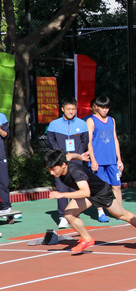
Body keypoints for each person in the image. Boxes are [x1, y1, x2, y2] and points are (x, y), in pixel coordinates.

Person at [44, 149, 136, 253]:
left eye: (53, 169)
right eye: (49, 170)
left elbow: (85, 192)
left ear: (63, 165)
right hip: (88, 194)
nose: (51, 173)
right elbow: (69, 155)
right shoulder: (63, 161)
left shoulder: (76, 172)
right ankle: (87, 239)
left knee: (122, 215)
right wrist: (81, 157)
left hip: (101, 192)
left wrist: (61, 195)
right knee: (69, 214)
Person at [46, 97, 90, 229]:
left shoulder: (82, 124)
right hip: (60, 163)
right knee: (61, 188)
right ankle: (62, 217)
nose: (71, 111)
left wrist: (77, 154)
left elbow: (85, 141)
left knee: (76, 188)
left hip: (76, 162)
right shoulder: (54, 124)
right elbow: (51, 141)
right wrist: (61, 156)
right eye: (68, 109)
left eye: (73, 109)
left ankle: (74, 214)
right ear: (62, 109)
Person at [86, 96, 124, 223]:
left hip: (111, 161)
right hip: (98, 162)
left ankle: (119, 211)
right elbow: (89, 142)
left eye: (107, 107)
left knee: (117, 186)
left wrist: (119, 159)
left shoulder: (112, 120)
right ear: (96, 107)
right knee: (100, 188)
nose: (105, 110)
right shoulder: (91, 121)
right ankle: (100, 212)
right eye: (102, 107)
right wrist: (93, 160)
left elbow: (115, 139)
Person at [0, 111, 12, 216]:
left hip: (0, 156)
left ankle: (6, 206)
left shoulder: (2, 117)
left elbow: (6, 135)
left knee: (4, 181)